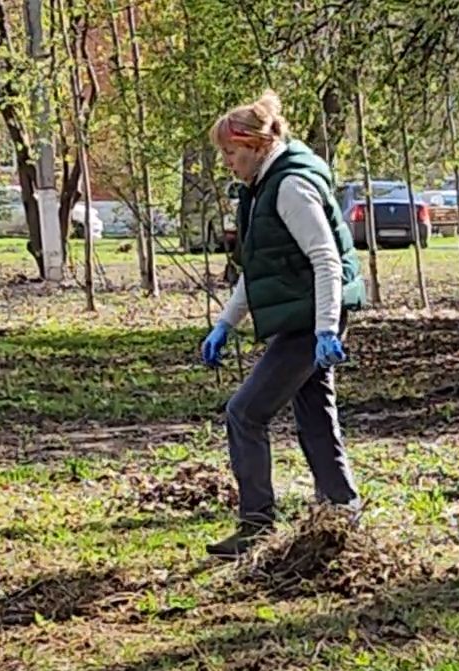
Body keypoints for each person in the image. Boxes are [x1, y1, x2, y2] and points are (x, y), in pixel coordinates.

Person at [198, 90, 366, 558]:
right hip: (306, 315)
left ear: (254, 146)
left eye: (231, 153)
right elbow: (260, 267)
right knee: (315, 414)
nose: (227, 162)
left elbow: (327, 261)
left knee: (244, 412)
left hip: (312, 320)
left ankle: (256, 526)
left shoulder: (290, 187)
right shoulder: (261, 188)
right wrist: (225, 324)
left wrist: (327, 330)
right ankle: (341, 513)